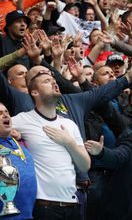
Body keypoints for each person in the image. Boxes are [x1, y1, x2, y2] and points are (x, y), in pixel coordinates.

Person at [12, 70, 91, 220]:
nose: (54, 82)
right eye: (47, 81)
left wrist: (68, 142)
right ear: (34, 92)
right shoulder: (23, 120)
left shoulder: (69, 124)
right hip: (44, 205)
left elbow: (85, 165)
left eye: (53, 80)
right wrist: (11, 133)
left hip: (73, 204)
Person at [0, 102, 36, 220]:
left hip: (28, 214)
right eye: (0, 113)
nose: (5, 115)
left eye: (6, 112)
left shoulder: (19, 141)